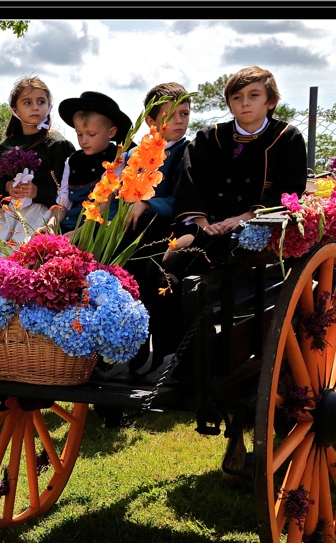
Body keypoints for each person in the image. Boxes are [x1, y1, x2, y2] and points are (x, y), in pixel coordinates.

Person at [167, 66, 308, 275]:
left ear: (271, 101)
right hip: (208, 225)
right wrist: (203, 224)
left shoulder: (287, 138)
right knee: (173, 256)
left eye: (254, 95)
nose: (245, 103)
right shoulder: (209, 137)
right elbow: (190, 183)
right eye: (236, 97)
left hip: (260, 224)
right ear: (230, 105)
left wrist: (247, 216)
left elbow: (289, 190)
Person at [120, 83, 192, 371]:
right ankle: (127, 348)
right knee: (120, 278)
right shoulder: (134, 155)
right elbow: (122, 193)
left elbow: (182, 199)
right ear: (150, 121)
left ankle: (162, 352)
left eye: (185, 114)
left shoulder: (188, 152)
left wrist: (148, 203)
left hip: (165, 230)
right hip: (131, 232)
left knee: (156, 277)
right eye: (171, 115)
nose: (179, 121)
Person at [0, 76, 75, 258]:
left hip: (43, 216)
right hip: (5, 216)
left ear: (49, 106)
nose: (35, 107)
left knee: (25, 258)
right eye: (27, 102)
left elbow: (69, 190)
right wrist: (7, 187)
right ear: (15, 109)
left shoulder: (58, 145)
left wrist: (37, 191)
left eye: (41, 101)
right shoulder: (4, 148)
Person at [56, 91, 133, 233]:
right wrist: (50, 225)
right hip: (69, 224)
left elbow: (104, 202)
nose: (84, 140)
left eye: (91, 134)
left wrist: (77, 234)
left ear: (111, 132)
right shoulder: (72, 160)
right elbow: (63, 202)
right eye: (79, 134)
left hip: (97, 227)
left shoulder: (117, 159)